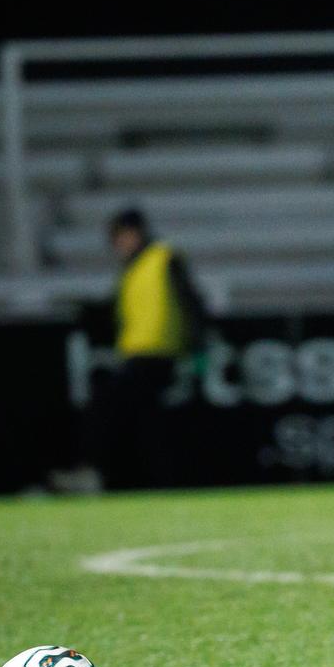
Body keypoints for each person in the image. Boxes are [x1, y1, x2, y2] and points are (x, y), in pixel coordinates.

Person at [64, 208, 209, 492]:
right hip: (139, 355)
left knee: (108, 405)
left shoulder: (164, 259)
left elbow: (192, 303)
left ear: (134, 232)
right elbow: (116, 311)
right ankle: (161, 482)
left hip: (157, 355)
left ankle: (91, 470)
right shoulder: (132, 268)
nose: (117, 244)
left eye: (120, 236)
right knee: (149, 425)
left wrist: (198, 350)